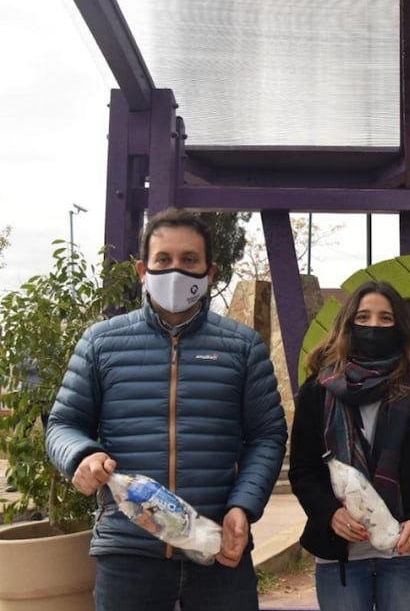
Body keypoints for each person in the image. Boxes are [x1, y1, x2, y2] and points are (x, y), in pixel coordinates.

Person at [45, 208, 287, 611]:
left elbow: (267, 435)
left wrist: (242, 506)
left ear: (210, 272)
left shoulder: (243, 347)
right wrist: (82, 457)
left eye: (189, 260)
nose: (176, 271)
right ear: (143, 269)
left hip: (217, 545)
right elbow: (63, 423)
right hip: (128, 549)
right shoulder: (101, 342)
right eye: (164, 260)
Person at [289, 280, 410, 611]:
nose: (373, 326)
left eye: (385, 318)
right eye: (363, 317)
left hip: (406, 553)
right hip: (341, 556)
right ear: (348, 323)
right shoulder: (317, 391)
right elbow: (303, 472)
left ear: (399, 327)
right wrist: (330, 513)